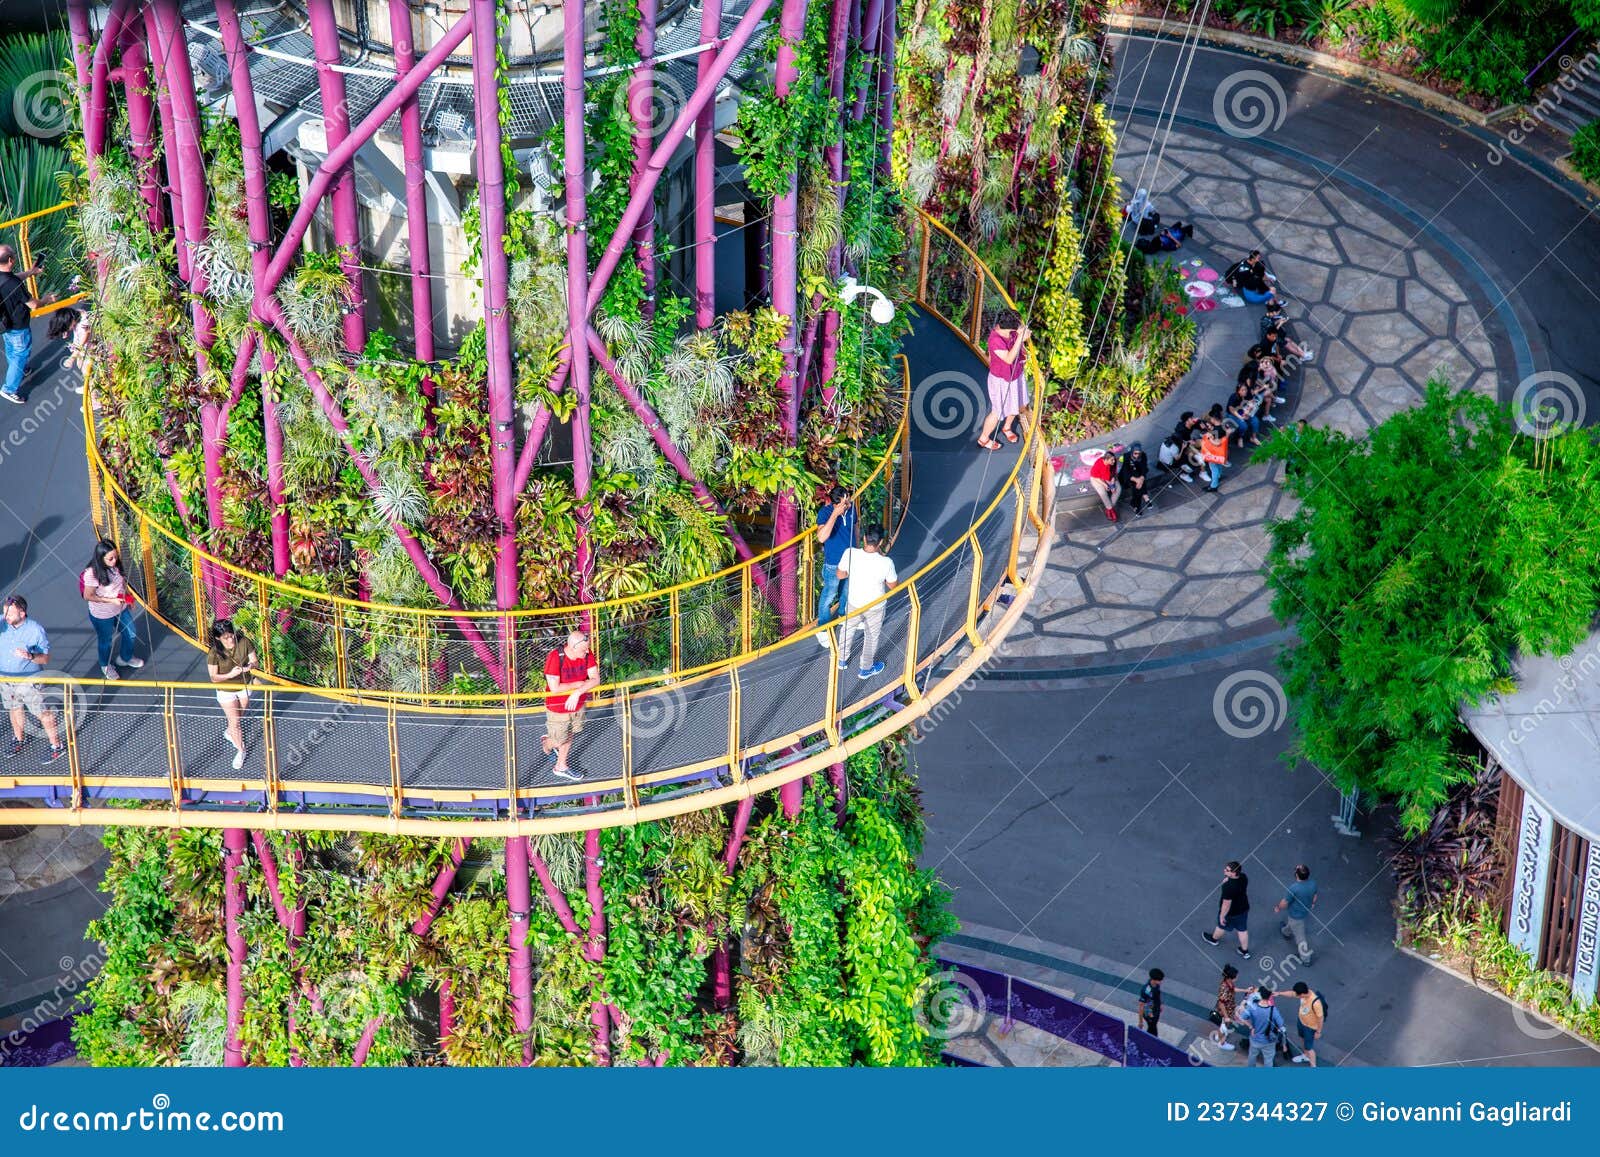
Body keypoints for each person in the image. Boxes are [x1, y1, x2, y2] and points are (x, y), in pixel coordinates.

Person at [0, 595, 63, 764]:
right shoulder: (2, 623)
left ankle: (57, 745)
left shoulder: (35, 630)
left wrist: (30, 656)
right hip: (5, 679)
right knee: (14, 708)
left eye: (10, 614)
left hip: (28, 681)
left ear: (22, 613)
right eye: (4, 612)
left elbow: (45, 659)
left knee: (41, 712)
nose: (6, 617)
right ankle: (18, 739)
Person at [835, 523, 898, 680]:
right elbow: (893, 586)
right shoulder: (886, 562)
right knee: (871, 636)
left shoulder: (850, 553)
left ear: (864, 538)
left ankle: (841, 660)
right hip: (875, 606)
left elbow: (840, 575)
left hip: (854, 602)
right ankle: (865, 668)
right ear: (881, 542)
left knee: (848, 629)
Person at [80, 539, 144, 680]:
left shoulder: (116, 565)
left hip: (120, 608)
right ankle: (105, 665)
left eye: (116, 556)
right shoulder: (92, 574)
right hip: (102, 615)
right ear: (101, 558)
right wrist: (111, 601)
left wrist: (129, 597)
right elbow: (88, 595)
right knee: (106, 641)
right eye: (110, 558)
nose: (115, 560)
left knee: (131, 633)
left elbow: (122, 582)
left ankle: (125, 658)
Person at [543, 629, 599, 782]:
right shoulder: (555, 657)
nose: (587, 651)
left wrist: (577, 693)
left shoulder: (587, 653)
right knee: (559, 740)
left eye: (587, 648)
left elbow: (595, 679)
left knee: (569, 733)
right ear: (573, 647)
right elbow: (555, 688)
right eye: (583, 649)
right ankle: (547, 743)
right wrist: (579, 684)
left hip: (577, 704)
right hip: (558, 707)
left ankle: (561, 766)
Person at [0, 245, 54, 404]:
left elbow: (13, 277)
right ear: (11, 260)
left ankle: (19, 369)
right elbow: (34, 305)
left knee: (12, 350)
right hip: (18, 325)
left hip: (5, 324)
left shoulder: (7, 278)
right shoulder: (14, 284)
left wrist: (31, 272)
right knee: (20, 353)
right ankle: (9, 389)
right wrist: (47, 299)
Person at [206, 619, 257, 772]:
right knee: (235, 723)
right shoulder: (214, 653)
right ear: (218, 638)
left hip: (244, 685)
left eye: (231, 635)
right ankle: (241, 750)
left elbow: (255, 661)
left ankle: (229, 732)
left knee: (238, 718)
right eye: (226, 637)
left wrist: (249, 667)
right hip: (225, 690)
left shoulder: (244, 642)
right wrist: (230, 675)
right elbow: (214, 678)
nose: (230, 639)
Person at [978, 309, 1029, 450]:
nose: (1021, 325)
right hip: (1001, 380)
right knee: (997, 411)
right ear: (1011, 327)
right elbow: (1008, 359)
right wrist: (1020, 338)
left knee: (1017, 403)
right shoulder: (995, 340)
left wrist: (1021, 338)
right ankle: (983, 439)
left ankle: (1006, 427)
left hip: (1016, 374)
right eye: (1018, 324)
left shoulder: (1009, 331)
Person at [814, 484, 856, 637]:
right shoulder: (825, 513)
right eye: (845, 501)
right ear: (837, 503)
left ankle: (843, 616)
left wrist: (857, 551)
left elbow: (855, 530)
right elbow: (821, 537)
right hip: (833, 563)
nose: (848, 503)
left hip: (850, 559)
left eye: (848, 499)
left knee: (846, 591)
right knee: (829, 595)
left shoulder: (852, 509)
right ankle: (822, 628)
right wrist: (835, 514)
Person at [1202, 860, 1251, 958]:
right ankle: (1244, 951)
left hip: (1231, 913)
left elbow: (1226, 904)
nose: (1224, 870)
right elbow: (1236, 884)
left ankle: (1213, 939)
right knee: (1242, 930)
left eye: (1227, 870)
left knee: (1222, 925)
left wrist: (1222, 916)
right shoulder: (1243, 877)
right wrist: (1229, 879)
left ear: (1234, 873)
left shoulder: (1228, 887)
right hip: (1243, 909)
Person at [1275, 863, 1319, 963]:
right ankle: (1286, 932)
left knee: (1300, 938)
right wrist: (1312, 903)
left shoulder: (1294, 888)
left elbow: (1284, 902)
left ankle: (1306, 959)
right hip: (1304, 912)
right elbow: (1315, 895)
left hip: (1295, 915)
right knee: (1293, 924)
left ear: (1296, 875)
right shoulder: (1313, 883)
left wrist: (1278, 907)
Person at [1277, 981, 1326, 1066]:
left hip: (1310, 1027)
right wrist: (1279, 993)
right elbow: (1292, 994)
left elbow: (1320, 1018)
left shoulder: (1315, 1003)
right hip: (1301, 1022)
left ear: (1302, 994)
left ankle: (1313, 1066)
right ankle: (1305, 1055)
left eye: (1298, 995)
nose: (1296, 996)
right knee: (1302, 1038)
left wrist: (1318, 1032)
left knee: (1309, 1048)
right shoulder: (1304, 993)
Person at [1237, 985, 1286, 1068]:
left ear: (1259, 995)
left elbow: (1241, 1017)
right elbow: (1281, 1024)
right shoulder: (1273, 1010)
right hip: (1269, 1041)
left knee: (1252, 1056)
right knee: (1268, 1060)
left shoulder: (1252, 1007)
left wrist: (1251, 1026)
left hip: (1255, 1039)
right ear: (1270, 996)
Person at [48, 305, 90, 392]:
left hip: (90, 350)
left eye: (66, 327)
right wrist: (66, 330)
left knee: (87, 370)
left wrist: (71, 358)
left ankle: (92, 392)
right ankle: (89, 385)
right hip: (84, 348)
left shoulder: (83, 327)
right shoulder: (77, 313)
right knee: (81, 365)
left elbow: (81, 345)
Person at [1209, 963, 1239, 1051]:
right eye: (1236, 976)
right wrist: (1226, 1017)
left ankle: (1218, 1036)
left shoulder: (1228, 982)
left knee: (1223, 1026)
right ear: (1231, 977)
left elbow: (1233, 989)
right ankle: (1221, 1043)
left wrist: (1245, 990)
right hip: (1225, 1011)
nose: (1238, 977)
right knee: (1225, 1026)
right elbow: (1221, 1003)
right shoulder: (1224, 988)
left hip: (1229, 1007)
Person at [1087, 447, 1121, 521]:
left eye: (1114, 459)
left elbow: (1113, 473)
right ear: (1106, 460)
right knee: (1103, 493)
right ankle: (1111, 510)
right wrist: (1105, 485)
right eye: (1112, 460)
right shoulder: (1098, 464)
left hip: (1109, 477)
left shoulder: (1113, 463)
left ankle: (1109, 508)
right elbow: (1094, 476)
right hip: (1098, 479)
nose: (1114, 461)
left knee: (1118, 489)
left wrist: (1112, 485)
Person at [1120, 442, 1152, 517]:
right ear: (1132, 452)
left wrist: (1141, 479)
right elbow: (1125, 472)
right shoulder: (1127, 456)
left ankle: (1136, 504)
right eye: (1135, 453)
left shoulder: (1143, 455)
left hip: (1138, 474)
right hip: (1128, 477)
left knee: (1139, 484)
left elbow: (1144, 468)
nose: (1137, 455)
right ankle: (1140, 500)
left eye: (1139, 453)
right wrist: (1137, 480)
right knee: (1136, 486)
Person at [1199, 423, 1229, 493]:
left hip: (1213, 454)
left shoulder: (1215, 434)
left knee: (1214, 469)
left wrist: (1209, 438)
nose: (1209, 427)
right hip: (1219, 454)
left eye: (1209, 425)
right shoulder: (1223, 431)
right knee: (1219, 465)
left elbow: (1217, 443)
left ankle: (1213, 486)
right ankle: (1218, 477)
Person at [1138, 968, 1164, 1035]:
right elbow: (1141, 1006)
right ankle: (1151, 1038)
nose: (1161, 982)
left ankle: (1150, 1037)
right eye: (1160, 980)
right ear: (1154, 980)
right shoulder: (1146, 990)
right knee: (1152, 1028)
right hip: (1149, 1012)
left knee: (1153, 1025)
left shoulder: (1156, 985)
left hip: (1156, 1009)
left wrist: (1160, 1004)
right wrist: (1140, 1022)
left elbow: (1158, 994)